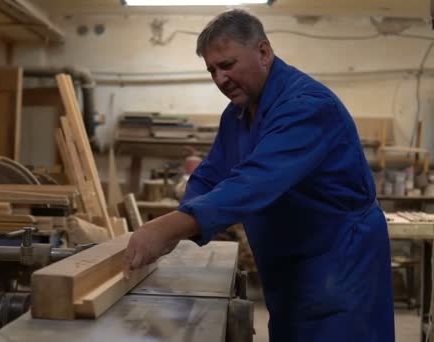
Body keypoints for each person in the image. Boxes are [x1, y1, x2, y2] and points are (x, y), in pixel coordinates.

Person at [123, 9, 394, 341]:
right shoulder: (237, 114)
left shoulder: (306, 106)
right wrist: (177, 222)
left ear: (263, 52)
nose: (220, 79)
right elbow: (212, 175)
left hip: (339, 264)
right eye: (212, 71)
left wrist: (169, 228)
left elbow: (254, 182)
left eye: (227, 65)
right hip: (288, 264)